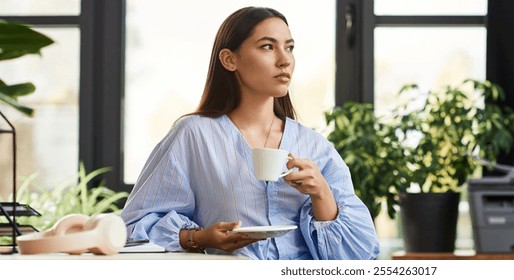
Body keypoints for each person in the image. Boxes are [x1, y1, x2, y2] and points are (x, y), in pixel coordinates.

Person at [121, 6, 380, 260]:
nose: (285, 59)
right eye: (268, 46)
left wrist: (321, 193)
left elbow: (360, 256)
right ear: (229, 59)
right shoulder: (194, 135)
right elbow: (134, 227)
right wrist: (201, 238)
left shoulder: (315, 146)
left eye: (289, 47)